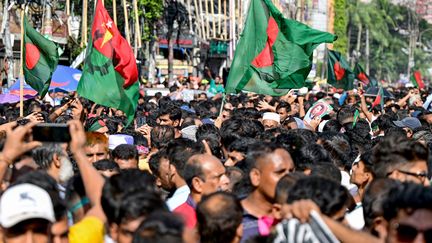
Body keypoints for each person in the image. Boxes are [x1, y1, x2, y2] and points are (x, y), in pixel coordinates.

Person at [240, 142, 294, 242]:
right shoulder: (230, 218)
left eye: (291, 171)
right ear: (256, 176)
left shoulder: (298, 216)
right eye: (280, 172)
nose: (289, 178)